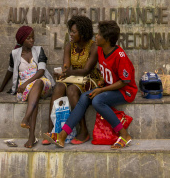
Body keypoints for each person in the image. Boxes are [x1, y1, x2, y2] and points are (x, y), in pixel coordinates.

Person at [45, 19, 137, 150]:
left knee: (97, 100)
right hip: (109, 88)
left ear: (107, 39)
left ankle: (124, 134)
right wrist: (101, 83)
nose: (96, 36)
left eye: (99, 35)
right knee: (84, 97)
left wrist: (101, 89)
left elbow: (124, 81)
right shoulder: (100, 50)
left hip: (125, 91)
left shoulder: (119, 55)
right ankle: (62, 135)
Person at [43, 14, 101, 145]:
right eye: (71, 31)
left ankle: (84, 131)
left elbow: (86, 70)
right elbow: (66, 66)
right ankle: (52, 130)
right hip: (73, 77)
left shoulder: (94, 47)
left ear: (83, 33)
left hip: (89, 79)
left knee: (71, 90)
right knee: (58, 87)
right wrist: (61, 73)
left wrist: (68, 73)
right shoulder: (69, 45)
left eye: (74, 32)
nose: (71, 34)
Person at [0, 25, 54, 149]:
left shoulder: (39, 50)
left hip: (42, 83)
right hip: (27, 88)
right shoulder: (15, 54)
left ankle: (26, 118)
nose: (32, 40)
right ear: (22, 40)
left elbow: (41, 71)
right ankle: (31, 136)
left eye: (33, 38)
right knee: (34, 95)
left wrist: (26, 83)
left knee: (37, 83)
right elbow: (10, 71)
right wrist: (1, 87)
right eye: (28, 38)